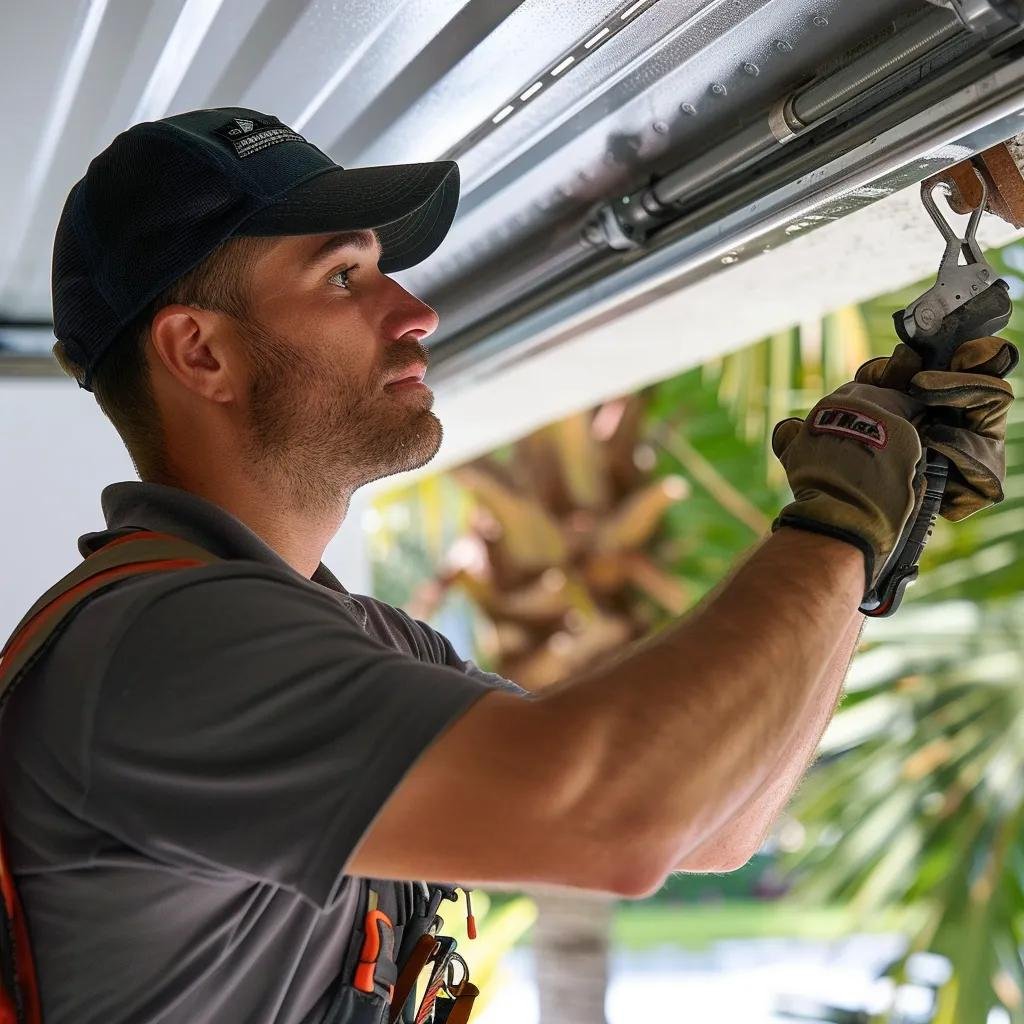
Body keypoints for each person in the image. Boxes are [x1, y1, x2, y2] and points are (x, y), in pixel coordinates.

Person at [1, 106, 1014, 1024]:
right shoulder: (164, 648)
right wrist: (838, 521)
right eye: (343, 276)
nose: (414, 311)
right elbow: (619, 819)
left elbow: (713, 822)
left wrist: (875, 534)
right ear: (201, 354)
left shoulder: (358, 638)